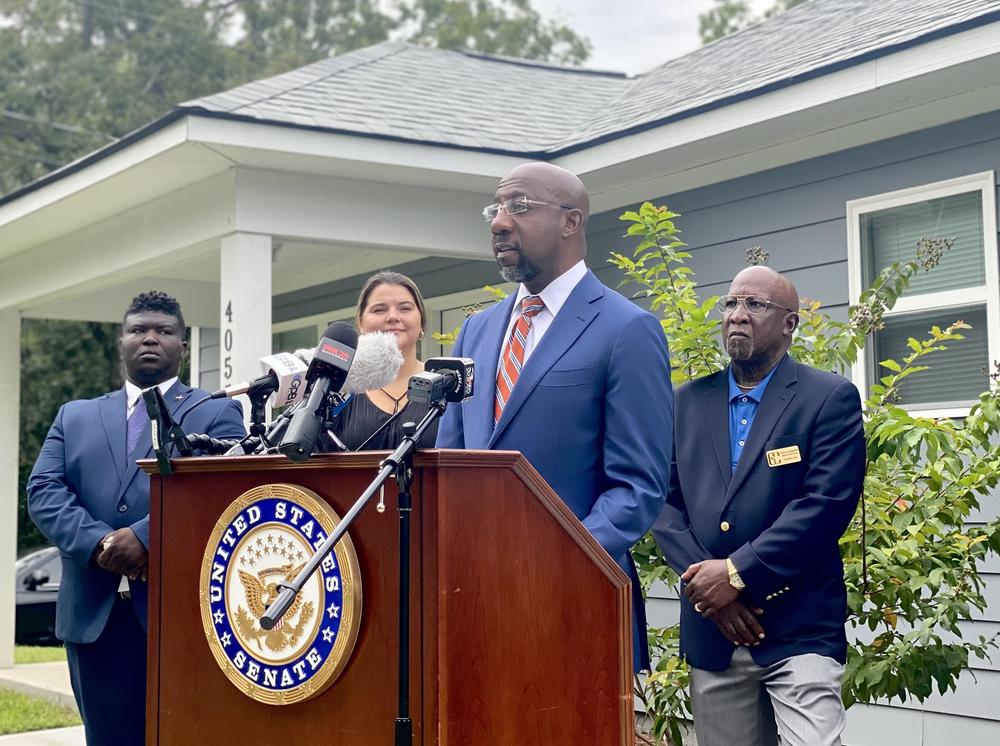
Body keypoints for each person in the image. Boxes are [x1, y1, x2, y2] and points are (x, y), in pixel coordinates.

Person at [435, 162, 673, 671]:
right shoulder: (475, 332)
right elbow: (451, 461)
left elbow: (638, 487)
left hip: (573, 605)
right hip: (470, 605)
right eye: (496, 209)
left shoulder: (627, 329)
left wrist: (556, 562)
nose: (500, 222)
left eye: (519, 207)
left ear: (571, 222)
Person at [653, 266, 866, 746]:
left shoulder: (827, 398)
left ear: (790, 323)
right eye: (730, 304)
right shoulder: (684, 402)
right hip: (715, 635)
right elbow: (663, 505)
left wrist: (735, 574)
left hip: (799, 627)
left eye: (755, 305)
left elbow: (825, 506)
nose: (738, 316)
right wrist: (710, 591)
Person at [28, 291, 246, 746]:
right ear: (121, 341)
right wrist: (103, 544)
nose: (150, 338)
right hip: (93, 617)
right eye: (138, 330)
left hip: (181, 615)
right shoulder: (75, 416)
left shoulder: (218, 412)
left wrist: (147, 538)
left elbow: (225, 493)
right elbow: (44, 491)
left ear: (183, 348)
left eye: (164, 332)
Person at [331, 271, 439, 450]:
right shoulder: (339, 389)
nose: (393, 317)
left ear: (421, 322)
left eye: (405, 308)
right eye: (379, 310)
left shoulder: (445, 388)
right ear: (361, 323)